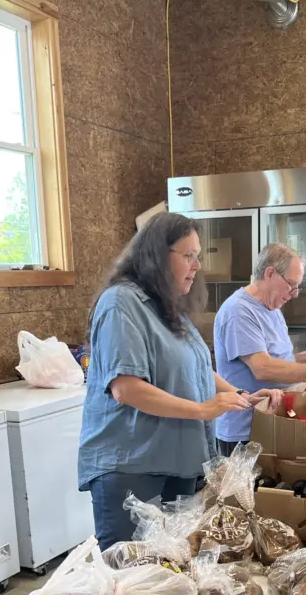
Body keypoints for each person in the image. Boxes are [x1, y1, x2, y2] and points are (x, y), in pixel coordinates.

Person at [78, 213, 282, 550]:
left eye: (198, 256)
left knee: (173, 572)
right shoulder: (121, 303)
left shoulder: (169, 307)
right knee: (133, 578)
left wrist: (242, 396)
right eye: (188, 256)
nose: (197, 265)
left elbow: (197, 367)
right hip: (135, 469)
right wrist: (203, 409)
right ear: (157, 255)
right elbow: (126, 388)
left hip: (181, 465)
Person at [213, 243, 306, 454]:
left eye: (298, 287)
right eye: (291, 284)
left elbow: (279, 360)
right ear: (270, 273)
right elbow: (263, 368)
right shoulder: (239, 312)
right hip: (245, 433)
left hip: (274, 421)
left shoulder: (272, 308)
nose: (295, 294)